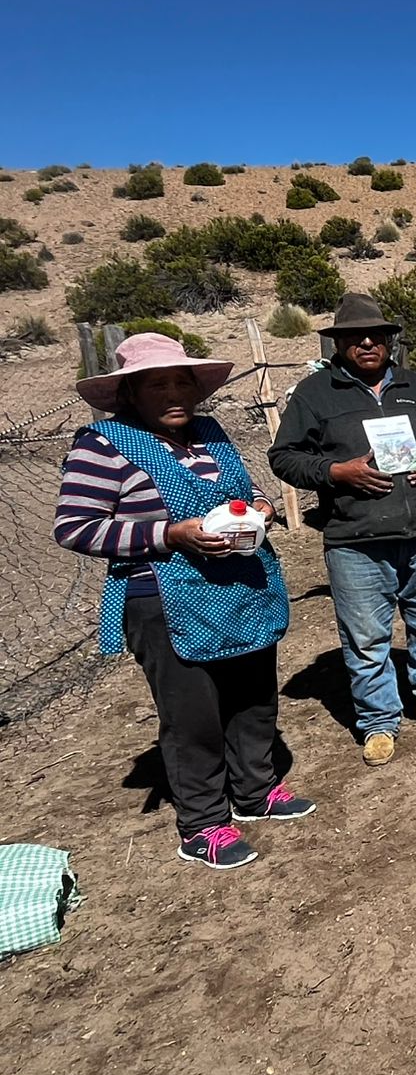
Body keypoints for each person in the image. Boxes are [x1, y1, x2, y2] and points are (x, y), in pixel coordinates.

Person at [55, 334, 312, 870]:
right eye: (157, 385)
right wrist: (168, 535)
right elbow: (76, 527)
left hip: (241, 583)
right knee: (193, 715)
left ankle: (255, 790)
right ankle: (202, 824)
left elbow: (241, 491)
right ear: (129, 393)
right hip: (165, 596)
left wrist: (260, 507)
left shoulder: (209, 433)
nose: (173, 393)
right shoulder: (103, 446)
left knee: (253, 696)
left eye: (181, 382)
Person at [268, 293, 416, 767]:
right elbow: (284, 457)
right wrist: (335, 472)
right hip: (356, 539)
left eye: (375, 336)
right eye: (355, 337)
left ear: (389, 341)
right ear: (338, 343)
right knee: (366, 638)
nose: (367, 343)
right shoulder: (315, 393)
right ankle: (379, 721)